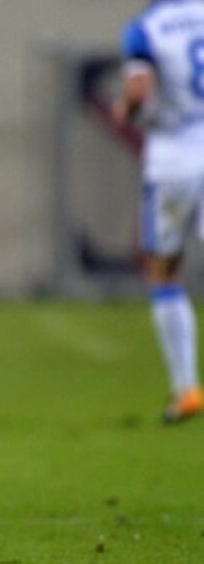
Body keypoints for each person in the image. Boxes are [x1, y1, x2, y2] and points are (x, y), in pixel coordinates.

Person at [114, 0, 204, 423]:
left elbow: (138, 89)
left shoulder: (147, 28)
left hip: (173, 160)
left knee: (165, 269)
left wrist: (126, 113)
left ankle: (187, 389)